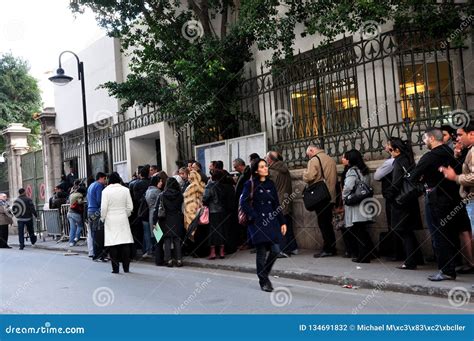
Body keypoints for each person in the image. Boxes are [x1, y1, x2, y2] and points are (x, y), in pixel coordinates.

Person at [410, 128, 461, 281]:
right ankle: (453, 265)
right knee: (450, 233)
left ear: (432, 138)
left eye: (425, 138)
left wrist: (423, 183)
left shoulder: (429, 157)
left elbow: (413, 177)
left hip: (435, 198)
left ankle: (446, 270)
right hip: (452, 198)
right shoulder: (451, 152)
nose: (424, 142)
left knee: (438, 234)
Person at [240, 159, 287, 292]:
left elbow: (276, 204)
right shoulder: (249, 184)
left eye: (266, 166)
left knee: (276, 250)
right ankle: (263, 281)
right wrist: (254, 216)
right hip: (257, 223)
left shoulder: (270, 183)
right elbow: (243, 203)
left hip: (271, 221)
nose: (266, 168)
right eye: (262, 167)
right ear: (256, 170)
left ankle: (263, 274)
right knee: (261, 252)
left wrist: (282, 222)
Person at [384, 138, 424, 269]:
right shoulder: (408, 159)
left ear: (396, 149)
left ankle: (410, 261)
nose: (386, 149)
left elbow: (396, 183)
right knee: (408, 231)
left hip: (401, 201)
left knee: (403, 231)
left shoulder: (398, 162)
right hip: (410, 199)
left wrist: (389, 195)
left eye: (389, 147)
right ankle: (417, 258)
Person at [440, 122, 474, 274]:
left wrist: (455, 177)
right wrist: (457, 155)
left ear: (471, 134)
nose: (457, 138)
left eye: (460, 134)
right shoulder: (468, 151)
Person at [303, 144, 338, 258]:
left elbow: (310, 176)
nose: (309, 157)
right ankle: (331, 247)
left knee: (323, 224)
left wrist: (304, 174)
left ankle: (328, 249)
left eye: (309, 154)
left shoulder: (314, 160)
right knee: (327, 223)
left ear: (312, 150)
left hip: (321, 196)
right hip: (330, 195)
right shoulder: (329, 158)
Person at [341, 150, 375, 263]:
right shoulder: (364, 170)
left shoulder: (352, 171)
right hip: (365, 203)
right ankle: (367, 254)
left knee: (358, 231)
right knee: (363, 231)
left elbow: (348, 187)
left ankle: (363, 256)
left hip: (356, 205)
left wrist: (344, 196)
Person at [373, 141, 404, 260]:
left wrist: (381, 167)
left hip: (393, 197)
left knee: (395, 225)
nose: (386, 146)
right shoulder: (398, 160)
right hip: (396, 196)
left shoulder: (392, 162)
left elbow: (377, 175)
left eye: (388, 145)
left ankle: (398, 253)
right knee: (400, 227)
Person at [266, 151, 298, 257]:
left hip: (278, 202)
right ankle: (292, 247)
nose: (266, 160)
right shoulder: (284, 169)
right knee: (287, 224)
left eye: (266, 158)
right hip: (286, 201)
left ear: (270, 159)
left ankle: (283, 250)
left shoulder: (271, 171)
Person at [101, 172, 134, 274]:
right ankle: (126, 268)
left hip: (111, 219)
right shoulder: (125, 190)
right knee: (125, 243)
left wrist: (103, 218)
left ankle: (115, 269)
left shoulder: (105, 191)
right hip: (123, 218)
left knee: (113, 244)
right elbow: (130, 207)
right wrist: (126, 214)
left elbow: (103, 208)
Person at [202, 169, 235, 260]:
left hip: (213, 211)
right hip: (223, 211)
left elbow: (205, 198)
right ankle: (221, 252)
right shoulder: (224, 186)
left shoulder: (209, 186)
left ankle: (213, 253)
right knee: (222, 231)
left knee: (212, 232)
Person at [154, 177, 184, 267]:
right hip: (177, 219)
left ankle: (169, 260)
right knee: (177, 239)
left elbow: (156, 209)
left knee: (166, 240)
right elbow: (182, 208)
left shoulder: (162, 195)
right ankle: (179, 260)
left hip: (165, 219)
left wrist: (154, 221)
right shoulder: (180, 195)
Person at [87, 172, 107, 262]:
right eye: (104, 179)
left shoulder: (91, 185)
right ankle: (98, 254)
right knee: (98, 233)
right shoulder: (99, 186)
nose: (105, 181)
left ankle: (95, 254)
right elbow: (100, 200)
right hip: (97, 211)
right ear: (101, 178)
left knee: (93, 233)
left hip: (90, 210)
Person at [234, 158, 251, 249]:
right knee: (243, 222)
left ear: (240, 165)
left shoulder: (247, 173)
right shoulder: (242, 174)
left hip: (245, 201)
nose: (234, 168)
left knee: (245, 222)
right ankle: (246, 242)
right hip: (242, 201)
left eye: (235, 167)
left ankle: (248, 242)